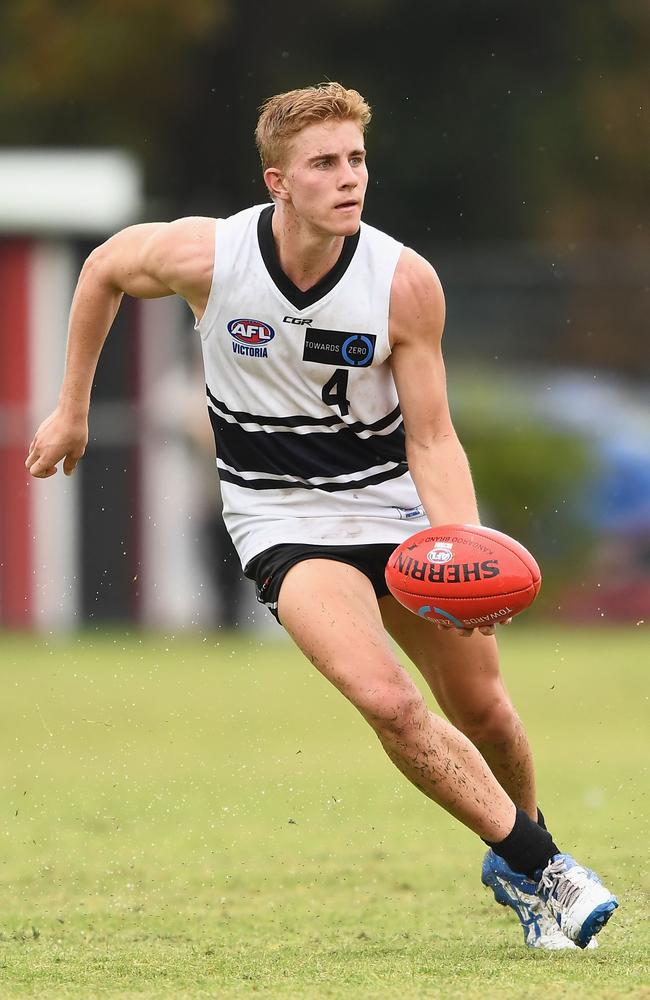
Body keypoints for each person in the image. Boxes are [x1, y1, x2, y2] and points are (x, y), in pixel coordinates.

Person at [26, 82, 617, 950]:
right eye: (325, 164)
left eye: (357, 160)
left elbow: (434, 435)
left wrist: (464, 538)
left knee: (485, 709)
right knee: (388, 699)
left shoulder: (402, 282)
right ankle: (549, 868)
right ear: (278, 182)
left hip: (391, 504)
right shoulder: (212, 257)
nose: (349, 179)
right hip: (280, 520)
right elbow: (104, 267)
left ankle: (518, 860)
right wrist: (70, 407)